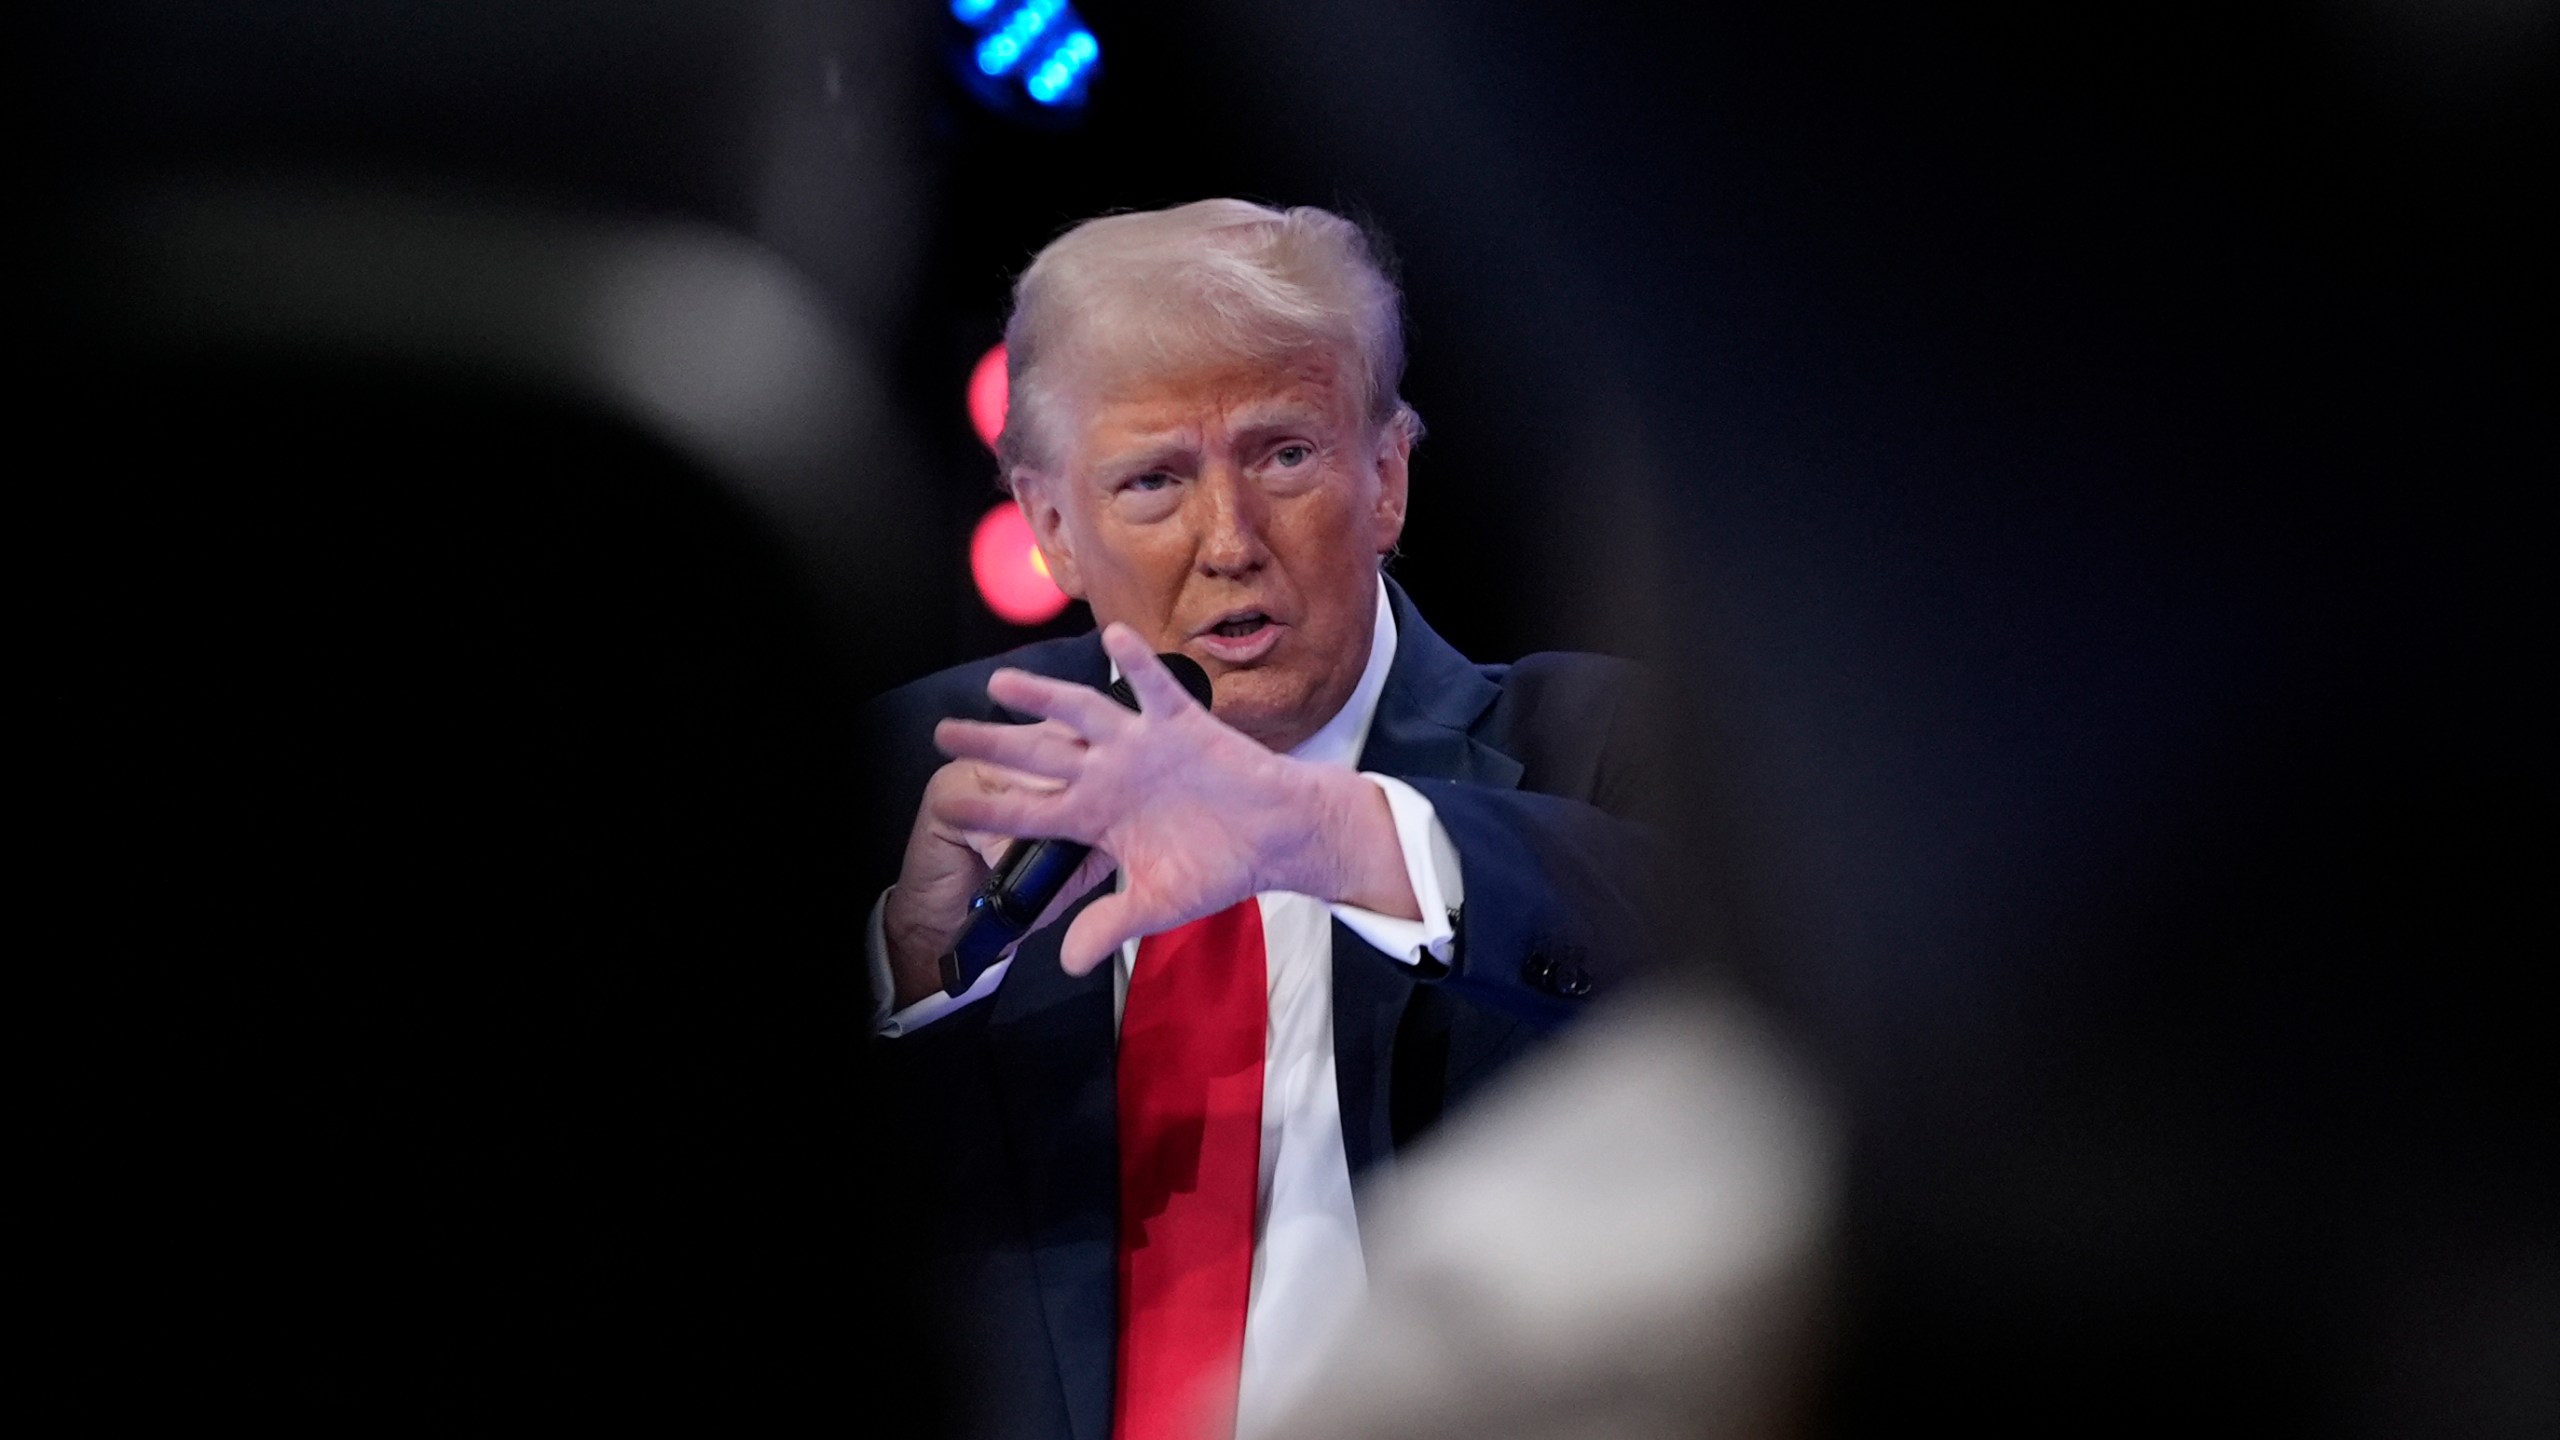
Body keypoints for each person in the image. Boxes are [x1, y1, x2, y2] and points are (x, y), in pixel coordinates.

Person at [862, 199, 1661, 1440]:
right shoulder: (911, 779)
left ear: (1386, 478)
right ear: (1051, 526)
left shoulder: (1592, 747)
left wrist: (1321, 832)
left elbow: (1734, 990)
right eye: (1154, 480)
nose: (1228, 541)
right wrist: (909, 955)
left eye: (1283, 454)